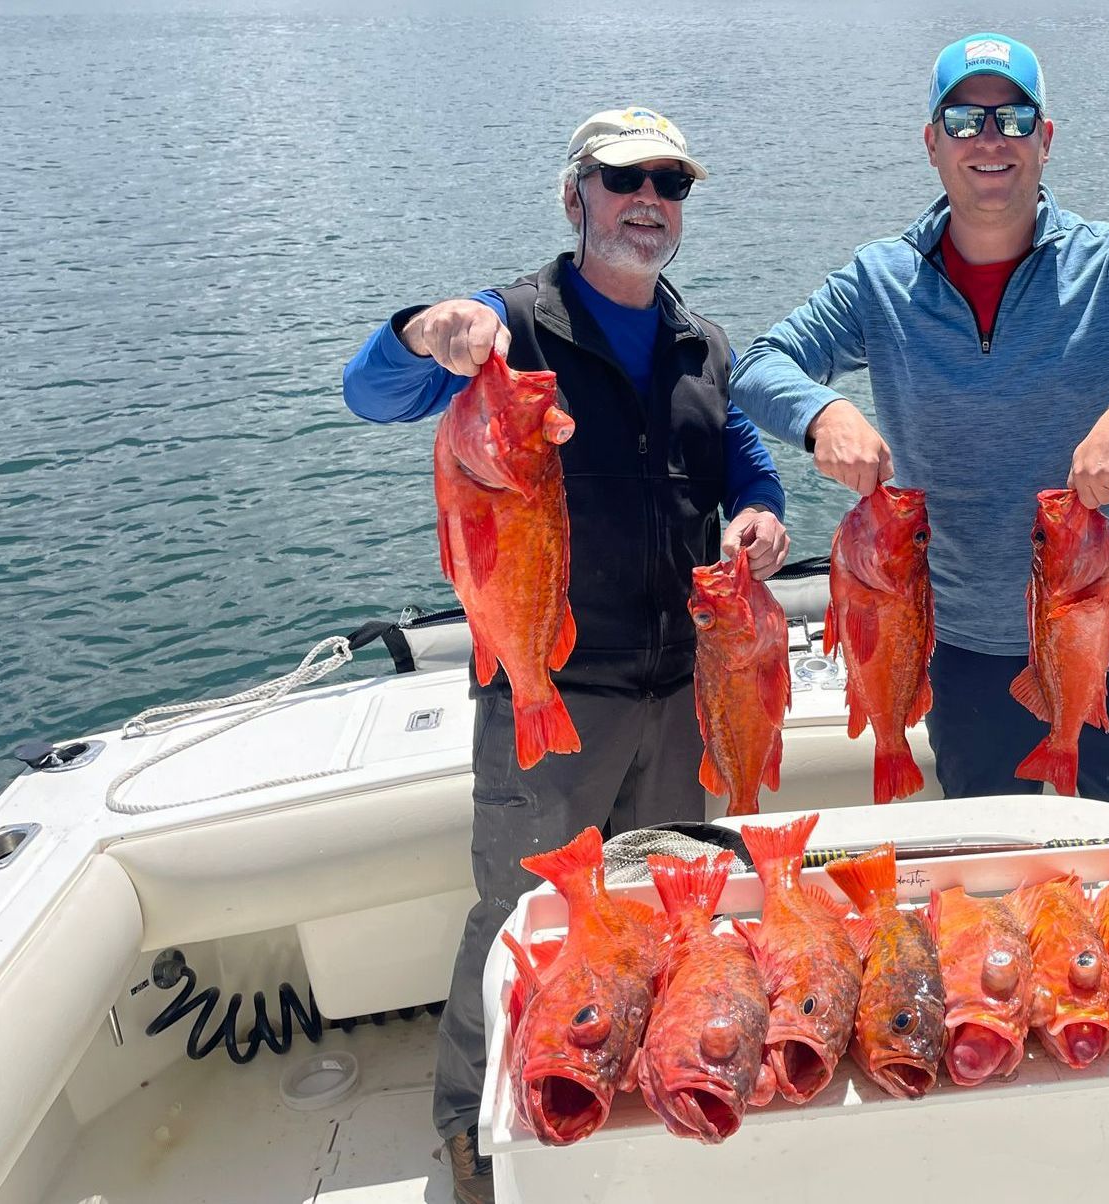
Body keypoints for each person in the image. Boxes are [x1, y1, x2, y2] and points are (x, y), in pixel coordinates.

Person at [340, 106, 788, 1203]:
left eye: (671, 182)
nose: (650, 199)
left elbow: (738, 453)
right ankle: (473, 1133)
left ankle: (625, 1088)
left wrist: (762, 515)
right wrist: (419, 333)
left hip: (682, 689)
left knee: (651, 907)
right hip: (550, 687)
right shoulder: (505, 330)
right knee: (516, 918)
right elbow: (373, 394)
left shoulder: (700, 343)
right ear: (576, 197)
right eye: (624, 177)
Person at [732, 33, 1109, 809]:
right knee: (997, 900)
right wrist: (822, 413)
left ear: (1045, 139)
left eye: (1013, 118)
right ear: (931, 143)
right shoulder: (878, 281)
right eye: (964, 120)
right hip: (962, 657)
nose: (989, 140)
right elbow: (758, 366)